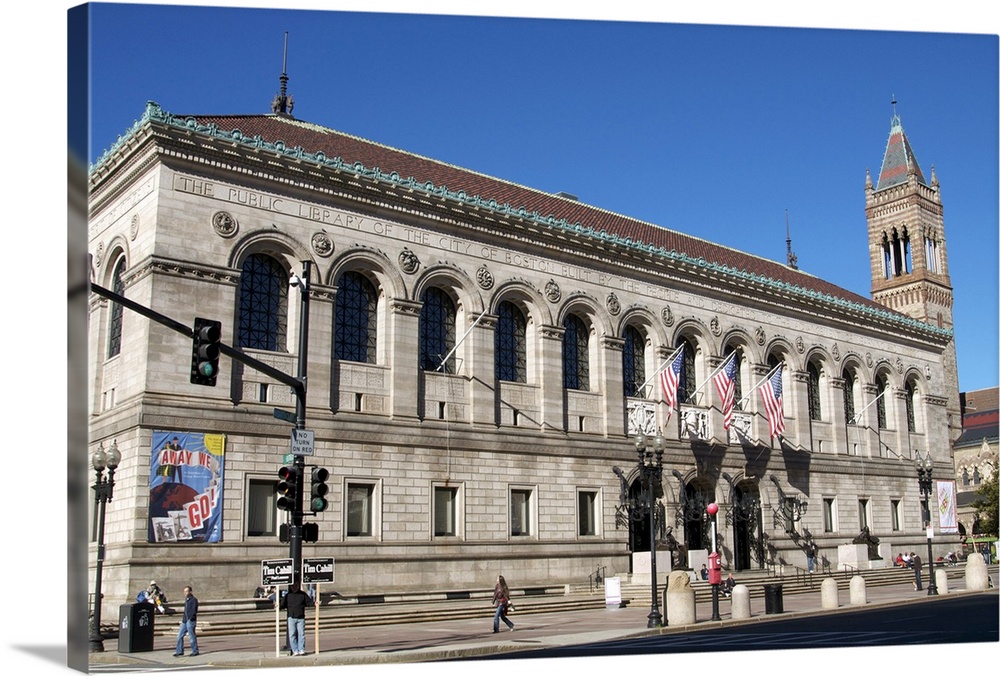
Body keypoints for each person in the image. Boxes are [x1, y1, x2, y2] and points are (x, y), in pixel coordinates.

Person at [280, 583, 314, 656]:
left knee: (301, 634)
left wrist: (315, 603)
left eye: (296, 586)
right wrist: (277, 605)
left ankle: (301, 649)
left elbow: (309, 602)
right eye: (293, 586)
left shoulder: (303, 595)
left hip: (300, 617)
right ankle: (295, 650)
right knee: (292, 634)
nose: (295, 587)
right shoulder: (288, 596)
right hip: (291, 617)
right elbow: (282, 605)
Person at [174, 586, 199, 657]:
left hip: (190, 621)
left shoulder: (193, 600)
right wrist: (184, 619)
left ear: (190, 592)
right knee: (179, 635)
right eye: (184, 591)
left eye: (186, 591)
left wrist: (190, 618)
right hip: (184, 621)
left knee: (191, 636)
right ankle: (179, 651)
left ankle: (195, 651)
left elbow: (194, 610)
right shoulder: (186, 600)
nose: (185, 593)